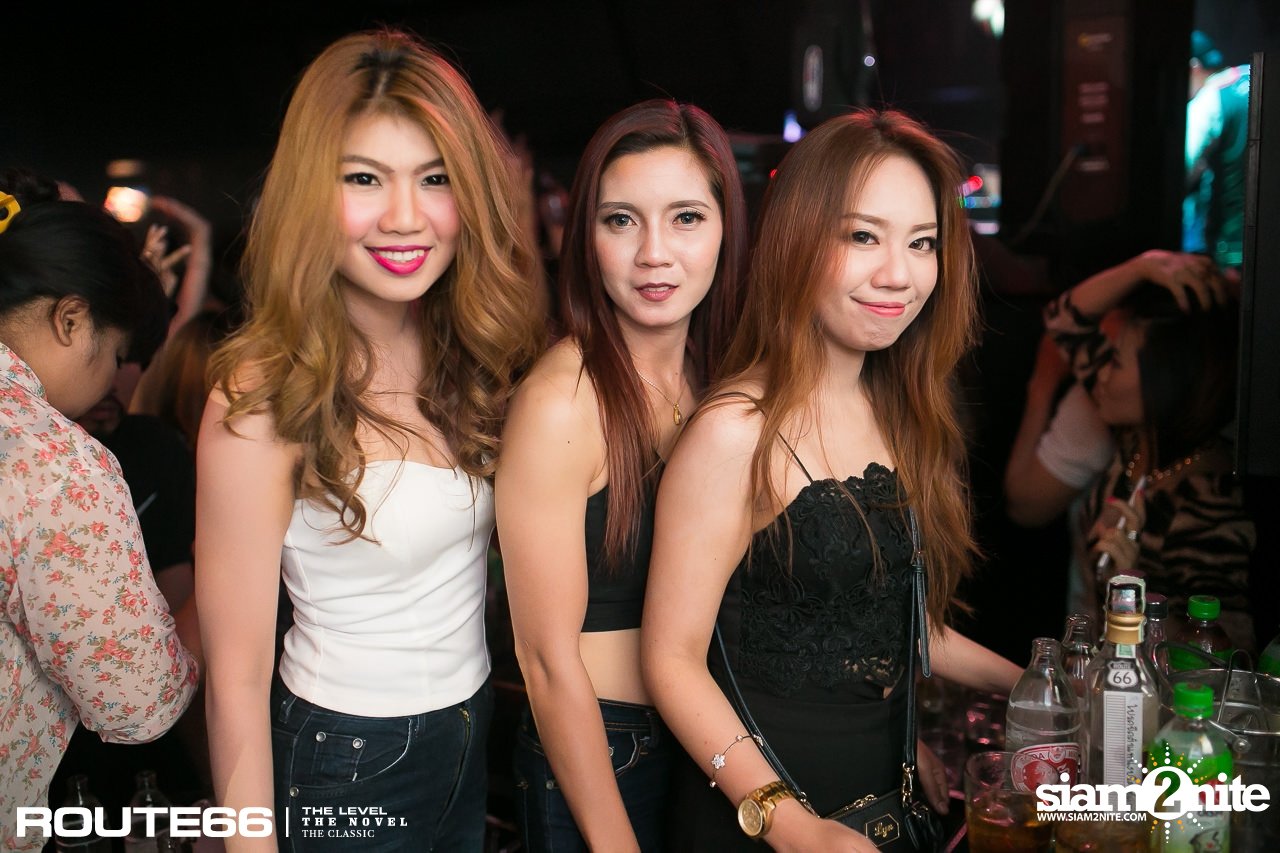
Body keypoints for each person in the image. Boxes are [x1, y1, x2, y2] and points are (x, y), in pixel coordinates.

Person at [195, 29, 545, 852]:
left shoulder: (471, 353)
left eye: (435, 177)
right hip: (345, 756)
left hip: (469, 728)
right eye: (363, 178)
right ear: (310, 194)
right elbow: (234, 679)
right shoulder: (261, 393)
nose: (404, 216)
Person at [641, 109, 1022, 851]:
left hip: (880, 806)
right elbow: (670, 659)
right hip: (765, 821)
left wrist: (1041, 681)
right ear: (798, 241)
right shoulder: (735, 430)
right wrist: (790, 825)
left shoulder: (896, 408)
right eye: (863, 237)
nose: (898, 274)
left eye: (921, 243)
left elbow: (890, 621)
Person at [495, 99, 747, 852]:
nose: (653, 254)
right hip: (603, 748)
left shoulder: (714, 376)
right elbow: (545, 661)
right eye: (621, 221)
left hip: (709, 740)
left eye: (686, 218)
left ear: (727, 228)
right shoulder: (563, 400)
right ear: (587, 238)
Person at [0, 169, 200, 850]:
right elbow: (138, 701)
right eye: (115, 353)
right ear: (70, 319)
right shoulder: (53, 458)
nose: (113, 378)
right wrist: (216, 590)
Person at [1040, 249, 1255, 650]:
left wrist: (1129, 597)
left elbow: (1224, 657)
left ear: (1164, 385)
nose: (1102, 374)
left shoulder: (1206, 502)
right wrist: (1143, 267)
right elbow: (1064, 320)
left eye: (1116, 361)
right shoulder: (1137, 445)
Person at [1184, 30, 1250, 270]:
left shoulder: (1210, 98)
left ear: (1194, 67)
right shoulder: (1256, 76)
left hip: (1230, 251)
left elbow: (1183, 169)